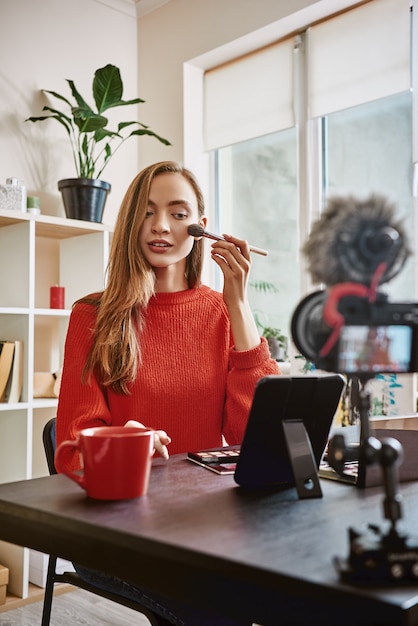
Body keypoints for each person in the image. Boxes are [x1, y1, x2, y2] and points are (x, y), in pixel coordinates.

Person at [56, 160, 280, 625]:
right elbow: (73, 450)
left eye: (179, 214)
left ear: (201, 227)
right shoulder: (91, 317)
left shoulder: (219, 312)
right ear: (131, 220)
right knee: (219, 603)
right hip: (122, 530)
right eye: (147, 211)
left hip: (206, 522)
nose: (160, 226)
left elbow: (254, 436)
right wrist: (126, 445)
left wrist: (237, 302)